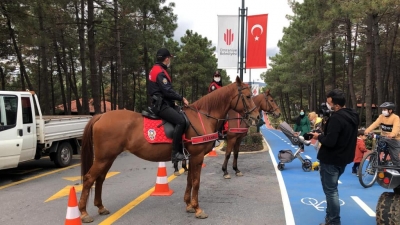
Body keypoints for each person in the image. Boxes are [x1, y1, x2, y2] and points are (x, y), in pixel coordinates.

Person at [309, 89, 359, 225]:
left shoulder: (336, 118)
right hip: (343, 158)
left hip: (331, 159)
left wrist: (318, 136)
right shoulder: (353, 115)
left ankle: (334, 221)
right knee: (332, 189)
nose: (327, 104)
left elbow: (330, 142)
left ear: (336, 105)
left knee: (331, 191)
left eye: (329, 102)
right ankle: (330, 217)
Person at [148, 48, 190, 163]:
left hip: (162, 102)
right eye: (169, 58)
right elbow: (167, 91)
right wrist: (181, 98)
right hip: (161, 106)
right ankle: (175, 152)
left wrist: (172, 102)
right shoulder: (160, 72)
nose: (169, 60)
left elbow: (160, 91)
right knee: (181, 121)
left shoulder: (155, 69)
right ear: (166, 59)